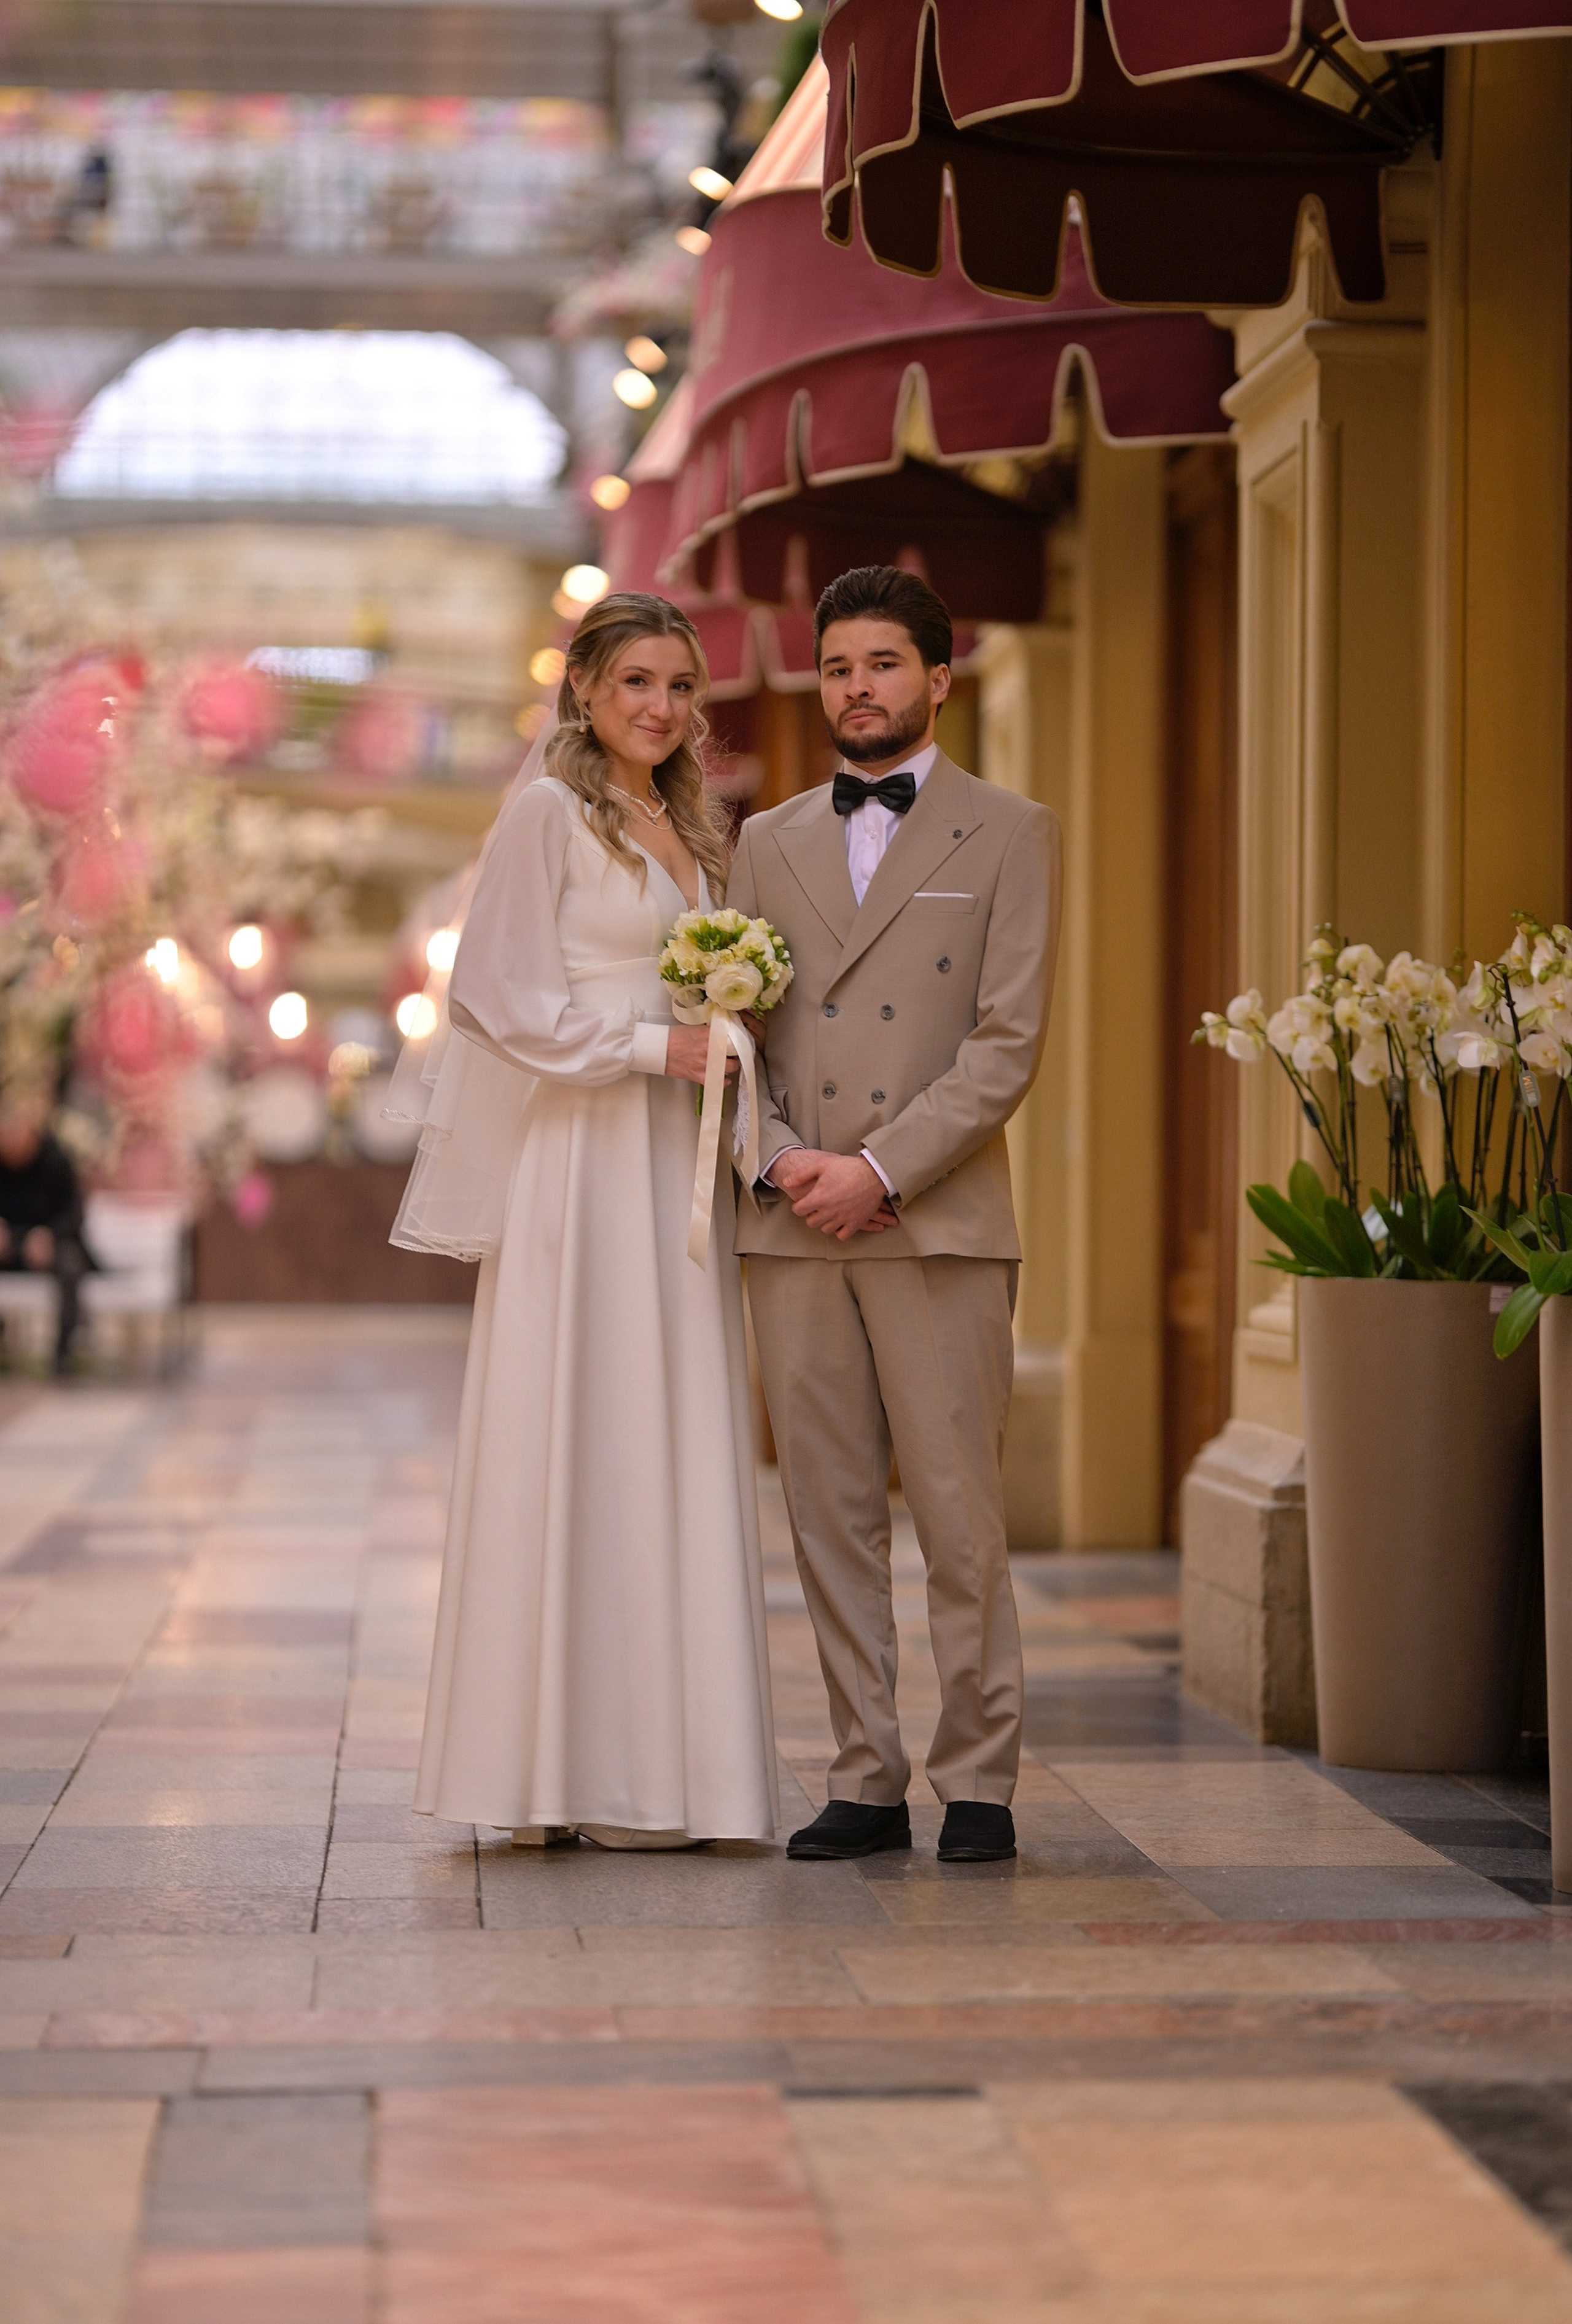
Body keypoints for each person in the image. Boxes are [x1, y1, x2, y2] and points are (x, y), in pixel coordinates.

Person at [400, 593, 777, 1851]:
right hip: (580, 1156)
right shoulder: (545, 815)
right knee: (581, 1420)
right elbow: (494, 995)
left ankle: (665, 1776)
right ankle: (551, 1769)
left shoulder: (688, 823)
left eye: (678, 685)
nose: (660, 707)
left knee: (665, 1422)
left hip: (672, 1158)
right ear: (583, 692)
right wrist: (643, 1044)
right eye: (635, 684)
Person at [728, 565, 1062, 1865]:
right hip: (794, 1224)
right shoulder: (767, 841)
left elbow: (1006, 1039)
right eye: (835, 666)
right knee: (825, 1514)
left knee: (958, 1508)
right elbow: (731, 1033)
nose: (854, 687)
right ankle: (862, 1771)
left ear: (936, 676)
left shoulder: (1010, 829)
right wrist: (778, 1163)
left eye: (880, 662)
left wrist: (877, 1164)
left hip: (935, 1218)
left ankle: (977, 1773)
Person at [0, 1087, 91, 1375]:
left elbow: (74, 1211)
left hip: (52, 1241)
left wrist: (49, 1236)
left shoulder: (56, 1160)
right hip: (9, 1243)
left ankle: (64, 1352)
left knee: (69, 1266)